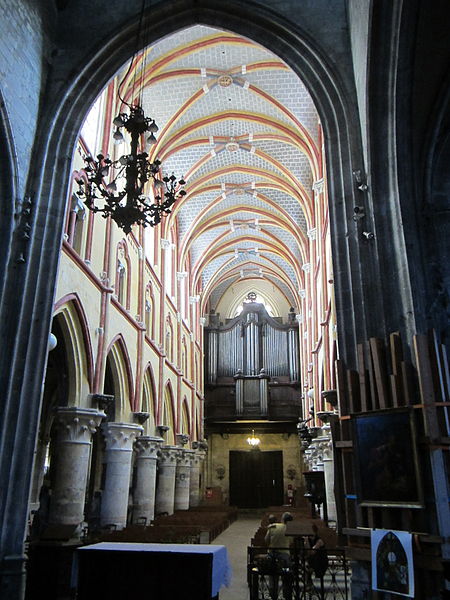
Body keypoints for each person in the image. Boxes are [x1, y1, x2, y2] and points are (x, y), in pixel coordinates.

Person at [264, 512, 293, 600]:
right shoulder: (290, 529)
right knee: (286, 576)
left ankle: (273, 595)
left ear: (282, 519)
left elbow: (266, 540)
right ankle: (286, 595)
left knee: (272, 577)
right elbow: (291, 542)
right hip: (284, 555)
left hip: (272, 554)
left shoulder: (273, 527)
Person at [305, 523, 328, 588]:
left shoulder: (319, 540)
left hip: (320, 561)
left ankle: (309, 584)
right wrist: (306, 541)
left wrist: (306, 542)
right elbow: (307, 552)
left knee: (309, 564)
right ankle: (309, 583)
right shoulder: (308, 539)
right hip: (313, 561)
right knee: (308, 565)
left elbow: (312, 551)